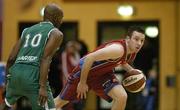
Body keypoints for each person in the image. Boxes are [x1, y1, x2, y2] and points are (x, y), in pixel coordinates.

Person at [54, 26, 145, 110]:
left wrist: (133, 72)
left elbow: (122, 61)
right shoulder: (118, 49)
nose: (139, 43)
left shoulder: (132, 52)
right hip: (85, 71)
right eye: (136, 39)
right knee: (59, 103)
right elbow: (89, 58)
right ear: (128, 39)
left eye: (142, 40)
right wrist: (82, 82)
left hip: (103, 74)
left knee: (121, 96)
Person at [4, 3, 63, 110]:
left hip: (15, 74)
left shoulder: (26, 31)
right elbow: (45, 58)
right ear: (56, 17)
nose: (61, 21)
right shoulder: (56, 33)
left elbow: (11, 57)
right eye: (61, 18)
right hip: (33, 76)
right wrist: (42, 87)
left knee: (6, 105)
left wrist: (7, 80)